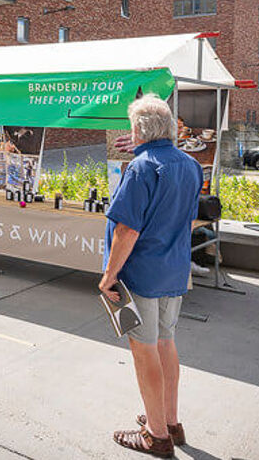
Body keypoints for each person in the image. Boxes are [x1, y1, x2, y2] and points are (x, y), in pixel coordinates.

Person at [99, 94, 202, 458]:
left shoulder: (142, 168)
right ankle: (170, 422)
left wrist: (109, 276)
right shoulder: (191, 164)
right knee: (165, 343)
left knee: (144, 351)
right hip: (173, 270)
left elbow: (127, 230)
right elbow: (188, 220)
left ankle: (156, 436)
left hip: (140, 274)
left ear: (139, 131)